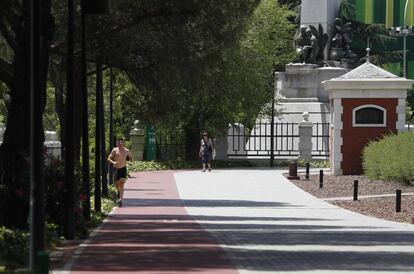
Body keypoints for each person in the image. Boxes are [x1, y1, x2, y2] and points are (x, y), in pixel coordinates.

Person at [107, 137, 133, 207]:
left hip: (123, 169)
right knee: (117, 185)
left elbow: (130, 158)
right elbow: (109, 158)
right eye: (119, 142)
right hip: (116, 169)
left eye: (121, 142)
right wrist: (113, 162)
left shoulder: (127, 151)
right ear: (117, 143)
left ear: (123, 143)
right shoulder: (114, 150)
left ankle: (121, 199)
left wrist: (130, 160)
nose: (120, 143)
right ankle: (119, 195)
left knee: (121, 184)